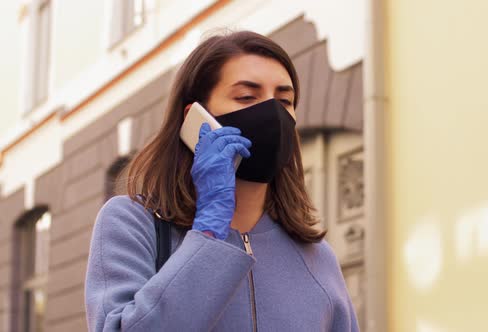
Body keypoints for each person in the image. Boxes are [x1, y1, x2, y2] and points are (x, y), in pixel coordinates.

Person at [84, 30, 360, 331]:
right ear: (195, 118)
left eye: (284, 100)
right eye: (246, 96)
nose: (272, 113)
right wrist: (210, 228)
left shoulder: (318, 255)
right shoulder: (132, 223)